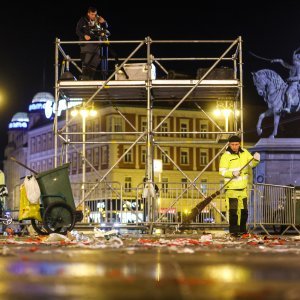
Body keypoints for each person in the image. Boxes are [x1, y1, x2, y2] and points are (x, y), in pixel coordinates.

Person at [219, 135, 260, 237]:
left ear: (239, 144)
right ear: (229, 144)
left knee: (244, 211)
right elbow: (222, 171)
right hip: (231, 188)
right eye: (232, 144)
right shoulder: (226, 156)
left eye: (236, 144)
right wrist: (232, 173)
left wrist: (256, 159)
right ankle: (234, 231)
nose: (234, 146)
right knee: (233, 212)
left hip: (243, 188)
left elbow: (252, 164)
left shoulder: (245, 153)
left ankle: (242, 230)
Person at [76, 7, 108, 80]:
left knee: (95, 61)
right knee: (87, 61)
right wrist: (84, 35)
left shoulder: (98, 18)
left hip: (96, 44)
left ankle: (90, 78)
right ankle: (85, 79)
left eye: (95, 14)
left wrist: (104, 22)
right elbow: (77, 30)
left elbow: (106, 28)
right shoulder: (83, 20)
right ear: (88, 13)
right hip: (86, 44)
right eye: (92, 14)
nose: (94, 16)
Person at [271, 48, 300, 113]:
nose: (293, 60)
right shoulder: (293, 66)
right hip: (288, 83)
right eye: (293, 59)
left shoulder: (298, 67)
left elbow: (299, 77)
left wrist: (291, 78)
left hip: (294, 84)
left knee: (288, 93)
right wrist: (276, 60)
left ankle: (288, 108)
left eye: (295, 59)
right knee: (279, 90)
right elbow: (284, 64)